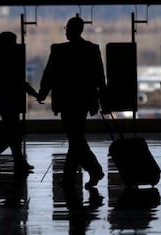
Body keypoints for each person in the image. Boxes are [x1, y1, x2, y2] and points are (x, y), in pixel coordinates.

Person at [37, 16, 107, 188]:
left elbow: (49, 75)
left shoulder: (58, 50)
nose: (66, 31)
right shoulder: (92, 49)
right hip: (83, 101)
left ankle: (91, 171)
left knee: (75, 138)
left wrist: (42, 94)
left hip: (66, 101)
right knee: (76, 138)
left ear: (71, 30)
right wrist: (104, 101)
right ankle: (74, 175)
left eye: (67, 28)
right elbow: (100, 78)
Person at [0, 31, 36, 172]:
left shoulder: (1, 60)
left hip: (5, 100)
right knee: (13, 132)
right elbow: (19, 81)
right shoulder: (8, 60)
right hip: (9, 101)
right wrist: (33, 92)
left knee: (11, 132)